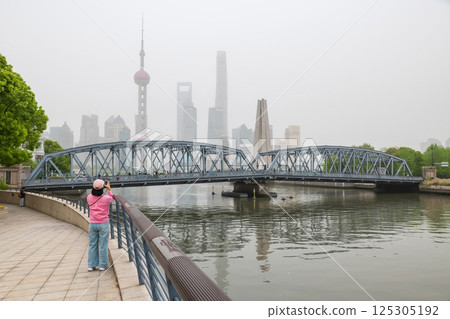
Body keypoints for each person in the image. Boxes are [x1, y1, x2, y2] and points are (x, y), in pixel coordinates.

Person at [86, 179, 114, 272]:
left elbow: (92, 194)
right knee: (103, 245)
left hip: (93, 224)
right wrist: (109, 189)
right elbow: (111, 199)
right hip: (103, 224)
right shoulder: (106, 198)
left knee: (92, 244)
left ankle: (91, 265)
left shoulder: (89, 197)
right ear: (103, 188)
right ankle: (102, 265)